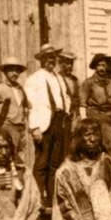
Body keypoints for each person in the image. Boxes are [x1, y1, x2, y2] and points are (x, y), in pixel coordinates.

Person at [25, 44, 68, 204]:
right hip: (43, 125)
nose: (51, 60)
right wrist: (34, 127)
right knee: (42, 163)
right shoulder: (33, 79)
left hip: (59, 122)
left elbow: (64, 99)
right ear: (42, 60)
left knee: (55, 163)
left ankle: (51, 198)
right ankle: (37, 199)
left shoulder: (58, 78)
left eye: (53, 57)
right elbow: (30, 106)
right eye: (47, 57)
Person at [79, 54, 111, 156]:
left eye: (104, 66)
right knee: (95, 146)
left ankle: (108, 169)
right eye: (100, 65)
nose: (102, 68)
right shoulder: (88, 83)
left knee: (108, 148)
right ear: (95, 67)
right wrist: (85, 122)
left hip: (108, 119)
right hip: (94, 118)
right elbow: (82, 104)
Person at [56, 50, 81, 154]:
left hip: (73, 116)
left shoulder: (74, 80)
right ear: (61, 64)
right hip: (61, 118)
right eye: (67, 63)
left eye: (71, 63)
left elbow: (78, 99)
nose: (69, 66)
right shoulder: (56, 78)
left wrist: (77, 116)